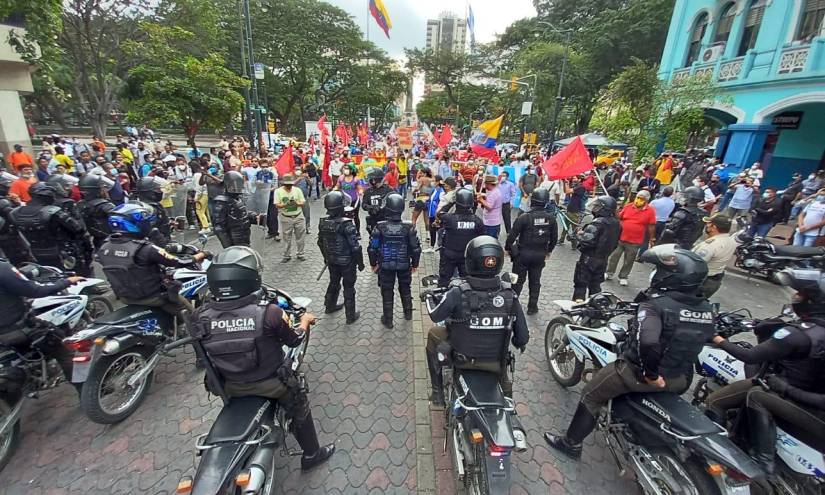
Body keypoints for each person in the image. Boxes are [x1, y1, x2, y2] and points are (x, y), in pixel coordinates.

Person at [546, 244, 714, 459]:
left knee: (590, 394)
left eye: (660, 270)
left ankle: (571, 444)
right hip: (680, 378)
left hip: (640, 376)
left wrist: (651, 375)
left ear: (672, 276)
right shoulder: (706, 308)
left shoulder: (656, 306)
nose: (656, 274)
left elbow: (649, 343)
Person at [187, 246, 335, 471]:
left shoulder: (199, 316)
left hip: (228, 385)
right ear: (251, 278)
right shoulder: (269, 313)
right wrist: (304, 321)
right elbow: (294, 340)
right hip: (271, 385)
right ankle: (312, 454)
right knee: (299, 401)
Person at [706, 268, 825, 477]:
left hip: (808, 406)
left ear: (812, 300)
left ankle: (758, 461)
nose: (794, 297)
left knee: (727, 399)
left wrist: (718, 339)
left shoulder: (796, 335)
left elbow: (751, 357)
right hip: (806, 395)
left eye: (799, 294)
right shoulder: (811, 329)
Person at [423, 236, 529, 406]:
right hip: (495, 363)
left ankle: (437, 394)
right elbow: (522, 339)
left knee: (433, 334)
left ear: (469, 262)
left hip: (462, 358)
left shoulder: (458, 292)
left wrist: (429, 297)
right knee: (508, 396)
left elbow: (436, 315)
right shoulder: (510, 295)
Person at [98, 202, 204, 317]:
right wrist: (200, 255)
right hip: (153, 297)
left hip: (126, 297)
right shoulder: (145, 249)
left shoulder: (104, 246)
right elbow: (178, 262)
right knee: (193, 316)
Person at [0, 256, 85, 385]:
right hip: (19, 329)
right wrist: (66, 281)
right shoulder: (2, 267)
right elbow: (35, 290)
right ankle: (88, 394)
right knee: (65, 352)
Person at [9, 183, 91, 275]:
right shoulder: (53, 212)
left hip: (35, 254)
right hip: (62, 253)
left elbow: (14, 235)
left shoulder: (14, 213)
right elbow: (78, 229)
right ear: (47, 195)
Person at [368, 193, 421, 329]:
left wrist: (373, 264)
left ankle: (388, 319)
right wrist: (415, 264)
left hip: (385, 265)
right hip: (404, 264)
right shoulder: (409, 227)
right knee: (405, 288)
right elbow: (416, 249)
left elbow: (372, 248)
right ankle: (408, 313)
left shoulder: (379, 227)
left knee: (387, 291)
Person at [505, 189, 557, 314]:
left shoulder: (524, 217)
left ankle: (512, 306)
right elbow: (554, 238)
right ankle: (532, 307)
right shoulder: (551, 219)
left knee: (517, 281)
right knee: (535, 282)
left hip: (522, 255)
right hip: (539, 255)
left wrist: (507, 248)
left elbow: (512, 236)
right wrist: (549, 251)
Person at [318, 191, 363, 322]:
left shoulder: (323, 222)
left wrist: (326, 257)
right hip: (347, 261)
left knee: (333, 282)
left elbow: (320, 242)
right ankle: (350, 316)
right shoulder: (346, 224)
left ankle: (329, 306)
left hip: (332, 260)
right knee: (349, 287)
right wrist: (360, 263)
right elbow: (355, 247)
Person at [572, 196, 620, 301]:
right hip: (603, 259)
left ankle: (577, 309)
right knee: (595, 287)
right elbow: (615, 244)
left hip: (589, 259)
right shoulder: (617, 223)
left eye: (597, 206)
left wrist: (579, 234)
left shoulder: (597, 222)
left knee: (580, 285)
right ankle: (595, 308)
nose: (595, 208)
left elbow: (587, 241)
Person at [606, 190, 656, 286]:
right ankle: (609, 273)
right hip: (620, 238)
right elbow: (619, 217)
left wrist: (652, 238)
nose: (638, 200)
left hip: (635, 241)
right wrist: (616, 211)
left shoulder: (650, 211)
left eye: (641, 198)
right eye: (638, 197)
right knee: (614, 257)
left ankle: (623, 276)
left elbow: (651, 226)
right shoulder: (628, 206)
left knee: (629, 260)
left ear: (646, 200)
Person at [436, 188, 483, 287]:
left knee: (444, 281)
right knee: (467, 282)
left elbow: (440, 213)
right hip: (466, 256)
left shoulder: (449, 218)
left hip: (449, 255)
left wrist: (451, 202)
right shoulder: (477, 221)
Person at [213, 171, 263, 248]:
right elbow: (219, 227)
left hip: (244, 236)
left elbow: (241, 214)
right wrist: (228, 246)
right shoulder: (222, 202)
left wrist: (254, 217)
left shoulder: (237, 198)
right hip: (234, 240)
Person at [692, 214, 737, 298]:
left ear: (714, 227)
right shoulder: (731, 242)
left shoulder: (710, 245)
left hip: (701, 282)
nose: (706, 226)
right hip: (715, 280)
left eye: (709, 223)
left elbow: (695, 264)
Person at [0, 172, 33, 265]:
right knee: (20, 259)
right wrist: (18, 203)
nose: (8, 188)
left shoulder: (4, 200)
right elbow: (17, 217)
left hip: (6, 236)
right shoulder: (3, 202)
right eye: (6, 186)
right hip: (8, 237)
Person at [77, 174, 116, 249]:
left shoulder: (80, 204)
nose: (105, 189)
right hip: (110, 240)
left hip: (96, 240)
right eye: (102, 187)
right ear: (95, 190)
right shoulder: (104, 205)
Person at [275, 173, 306, 262]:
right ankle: (287, 255)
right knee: (286, 238)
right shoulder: (278, 191)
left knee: (300, 237)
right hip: (286, 217)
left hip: (298, 216)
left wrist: (297, 203)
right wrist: (285, 205)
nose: (289, 186)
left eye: (290, 184)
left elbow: (303, 202)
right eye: (287, 185)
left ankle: (300, 253)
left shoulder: (297, 190)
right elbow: (277, 205)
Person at [136, 176, 174, 246]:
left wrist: (169, 223)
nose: (160, 192)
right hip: (156, 245)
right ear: (149, 192)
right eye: (157, 190)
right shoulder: (148, 209)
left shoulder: (139, 205)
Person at [644, 186, 676, 255]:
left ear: (663, 192)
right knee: (656, 239)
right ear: (671, 194)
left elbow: (647, 210)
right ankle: (652, 254)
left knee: (646, 239)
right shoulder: (672, 203)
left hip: (652, 222)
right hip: (662, 223)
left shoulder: (655, 202)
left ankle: (641, 255)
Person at [362, 168, 393, 237]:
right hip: (373, 221)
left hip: (386, 221)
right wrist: (371, 208)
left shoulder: (388, 190)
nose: (369, 181)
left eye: (371, 179)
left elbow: (395, 203)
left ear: (375, 180)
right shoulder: (368, 191)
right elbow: (363, 205)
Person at [559, 176, 587, 247]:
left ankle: (575, 244)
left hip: (575, 210)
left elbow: (568, 191)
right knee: (565, 226)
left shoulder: (581, 187)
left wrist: (566, 183)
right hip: (570, 209)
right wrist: (565, 182)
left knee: (574, 228)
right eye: (573, 178)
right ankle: (561, 240)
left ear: (580, 179)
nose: (573, 179)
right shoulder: (577, 186)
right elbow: (566, 191)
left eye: (575, 178)